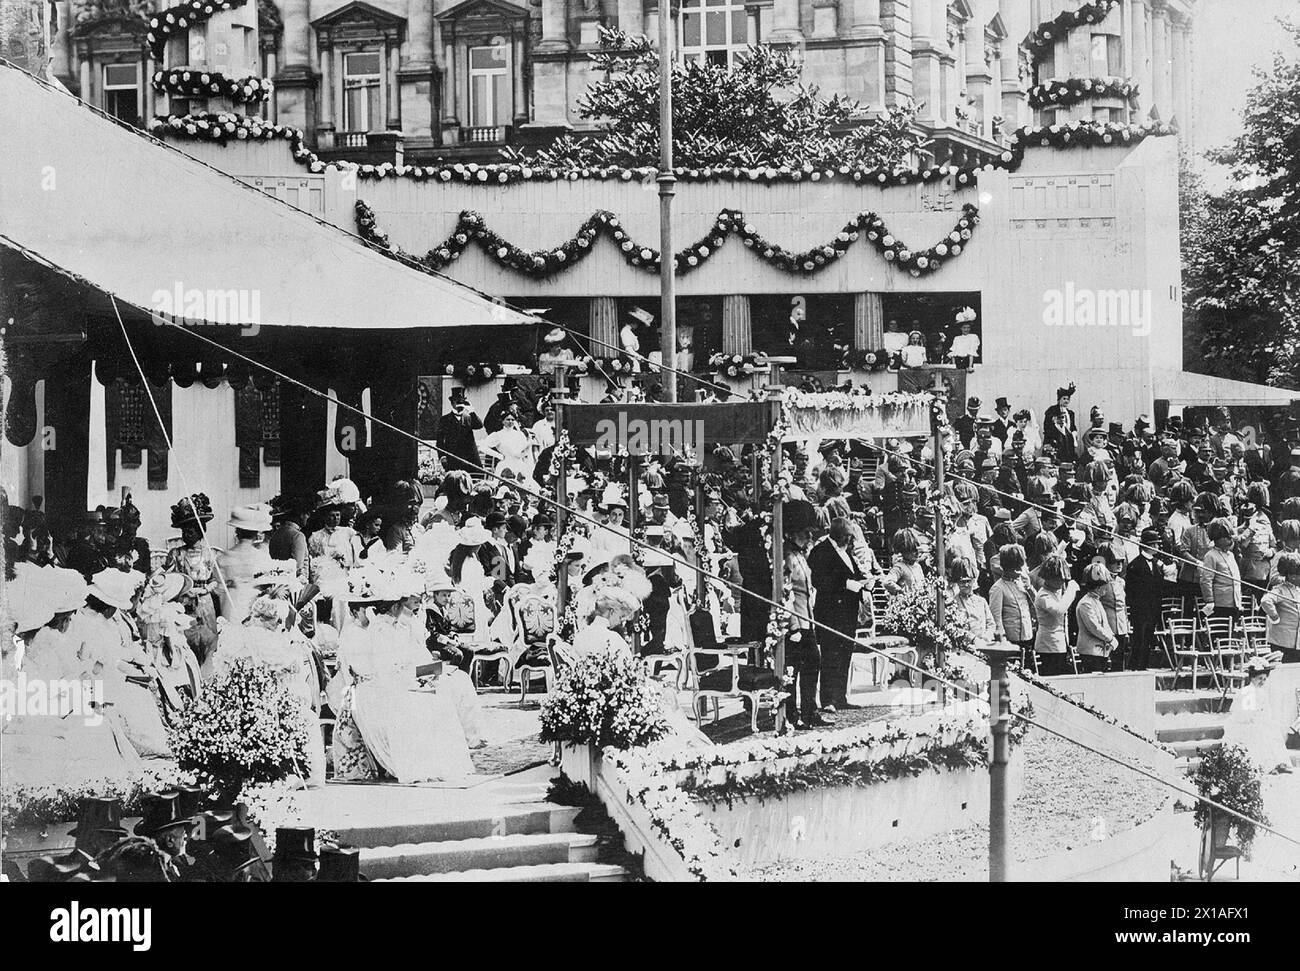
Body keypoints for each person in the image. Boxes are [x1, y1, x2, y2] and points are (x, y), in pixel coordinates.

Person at [331, 567, 475, 783]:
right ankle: (416, 765)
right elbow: (366, 671)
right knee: (409, 706)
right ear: (354, 611)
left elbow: (400, 662)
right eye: (364, 610)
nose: (369, 614)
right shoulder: (356, 633)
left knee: (437, 697)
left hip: (386, 683)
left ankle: (439, 761)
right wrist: (407, 675)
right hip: (364, 690)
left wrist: (418, 673)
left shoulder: (384, 629)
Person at [808, 517, 866, 712]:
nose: (849, 541)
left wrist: (864, 585)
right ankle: (828, 699)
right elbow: (819, 580)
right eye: (847, 537)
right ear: (838, 535)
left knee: (845, 655)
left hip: (848, 613)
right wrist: (844, 585)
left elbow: (855, 575)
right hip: (831, 613)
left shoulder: (846, 553)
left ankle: (840, 696)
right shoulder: (821, 551)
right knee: (830, 655)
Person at [781, 500, 829, 728]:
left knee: (812, 665)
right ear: (793, 533)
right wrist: (793, 625)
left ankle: (810, 711)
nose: (809, 537)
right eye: (805, 533)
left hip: (807, 620)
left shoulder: (800, 556)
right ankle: (791, 714)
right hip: (795, 623)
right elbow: (785, 592)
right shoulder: (787, 558)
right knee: (794, 670)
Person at [163, 494, 221, 664]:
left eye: (191, 530)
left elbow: (216, 580)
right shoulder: (176, 554)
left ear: (201, 530)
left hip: (205, 602)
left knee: (208, 641)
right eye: (183, 531)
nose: (186, 534)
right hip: (184, 601)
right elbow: (168, 579)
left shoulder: (210, 553)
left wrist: (205, 589)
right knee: (185, 640)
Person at [1221, 653, 1294, 774]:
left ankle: (1279, 762)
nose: (1262, 682)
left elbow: (1266, 712)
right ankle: (1267, 766)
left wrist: (1265, 720)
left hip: (1257, 721)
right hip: (1243, 724)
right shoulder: (1246, 692)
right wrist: (1256, 719)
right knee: (1258, 733)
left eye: (1264, 679)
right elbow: (1241, 715)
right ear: (1252, 677)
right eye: (1260, 678)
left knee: (1273, 729)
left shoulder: (1262, 693)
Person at [219, 504, 274, 622]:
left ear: (237, 532)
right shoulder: (262, 556)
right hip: (255, 602)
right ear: (255, 534)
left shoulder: (224, 557)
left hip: (232, 601)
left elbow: (218, 588)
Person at [1125, 528, 1167, 670]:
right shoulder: (1134, 565)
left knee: (1149, 637)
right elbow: (1131, 590)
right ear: (1146, 545)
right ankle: (1135, 665)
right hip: (1140, 609)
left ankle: (1144, 665)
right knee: (1139, 638)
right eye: (1154, 544)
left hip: (1153, 608)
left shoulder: (1157, 563)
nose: (1157, 547)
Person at [989, 544, 1036, 666]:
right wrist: (1002, 641)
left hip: (1027, 637)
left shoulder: (1022, 583)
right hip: (1011, 640)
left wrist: (1029, 587)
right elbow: (996, 618)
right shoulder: (998, 588)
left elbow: (1036, 604)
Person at [1033, 553, 1078, 676]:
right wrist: (1071, 591)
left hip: (1060, 644)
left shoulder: (1056, 592)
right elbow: (1059, 610)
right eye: (1058, 578)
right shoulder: (1043, 595)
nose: (1061, 582)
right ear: (1048, 577)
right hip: (1047, 645)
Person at [1198, 517, 1243, 621]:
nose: (1230, 540)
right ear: (1218, 539)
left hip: (1234, 603)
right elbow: (1206, 580)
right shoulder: (1211, 555)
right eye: (1227, 537)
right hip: (1220, 604)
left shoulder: (1230, 555)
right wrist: (1209, 600)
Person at [1260, 552, 1300, 662]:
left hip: (1297, 643)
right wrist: (1275, 617)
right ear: (1292, 576)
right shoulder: (1280, 590)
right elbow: (1265, 601)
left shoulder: (1298, 590)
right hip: (1282, 642)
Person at [437, 387, 484, 473]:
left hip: (469, 458)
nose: (459, 404)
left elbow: (479, 425)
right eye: (457, 401)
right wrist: (442, 456)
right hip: (452, 458)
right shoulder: (444, 420)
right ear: (452, 403)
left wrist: (472, 411)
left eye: (461, 402)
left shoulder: (469, 418)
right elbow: (440, 441)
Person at [949, 557, 995, 641]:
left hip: (984, 644)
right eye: (963, 582)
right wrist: (972, 639)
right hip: (965, 648)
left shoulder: (981, 601)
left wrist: (987, 637)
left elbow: (991, 623)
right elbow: (954, 628)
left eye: (969, 581)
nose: (966, 585)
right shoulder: (953, 603)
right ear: (957, 582)